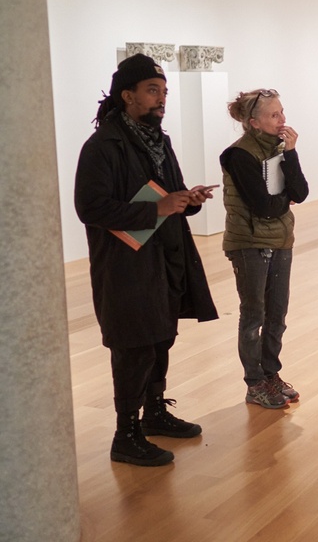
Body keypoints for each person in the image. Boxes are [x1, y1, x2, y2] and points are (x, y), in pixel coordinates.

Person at [75, 53, 218, 467]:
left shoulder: (160, 141)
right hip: (126, 263)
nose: (162, 99)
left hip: (165, 255)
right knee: (133, 344)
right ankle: (126, 433)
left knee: (161, 335)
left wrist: (187, 200)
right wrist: (156, 210)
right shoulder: (102, 146)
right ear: (127, 96)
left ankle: (154, 413)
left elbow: (168, 194)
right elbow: (91, 207)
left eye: (164, 91)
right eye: (153, 91)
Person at [221, 89, 309, 408]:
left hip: (281, 241)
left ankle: (271, 373)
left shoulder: (280, 149)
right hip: (249, 244)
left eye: (282, 112)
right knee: (253, 314)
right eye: (275, 115)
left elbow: (302, 190)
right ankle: (254, 382)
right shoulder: (238, 155)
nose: (283, 120)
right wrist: (285, 201)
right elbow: (265, 206)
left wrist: (292, 152)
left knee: (277, 314)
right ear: (254, 122)